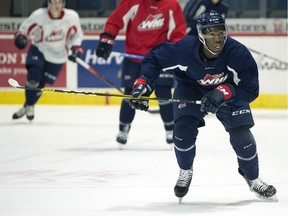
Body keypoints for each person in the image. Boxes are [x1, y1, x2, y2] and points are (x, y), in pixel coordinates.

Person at [129, 11, 277, 203]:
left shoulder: (237, 53)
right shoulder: (184, 50)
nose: (217, 38)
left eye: (220, 32)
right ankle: (185, 170)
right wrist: (144, 83)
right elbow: (154, 60)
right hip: (190, 89)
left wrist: (224, 92)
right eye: (211, 33)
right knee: (182, 132)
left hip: (226, 92)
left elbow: (251, 90)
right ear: (200, 35)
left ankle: (253, 178)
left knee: (243, 137)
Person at [95, 0, 186, 148]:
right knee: (131, 92)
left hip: (159, 58)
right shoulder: (133, 2)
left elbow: (178, 32)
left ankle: (171, 130)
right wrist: (107, 40)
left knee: (163, 92)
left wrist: (174, 51)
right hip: (134, 57)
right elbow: (115, 19)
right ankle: (123, 129)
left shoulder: (172, 4)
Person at [12, 0, 83, 121]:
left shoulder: (72, 16)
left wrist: (76, 49)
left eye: (60, 2)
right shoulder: (38, 15)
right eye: (54, 2)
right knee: (33, 75)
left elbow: (77, 35)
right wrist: (21, 37)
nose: (57, 5)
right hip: (39, 49)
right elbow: (24, 29)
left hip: (58, 56)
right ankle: (30, 106)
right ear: (49, 3)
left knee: (40, 85)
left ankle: (27, 105)